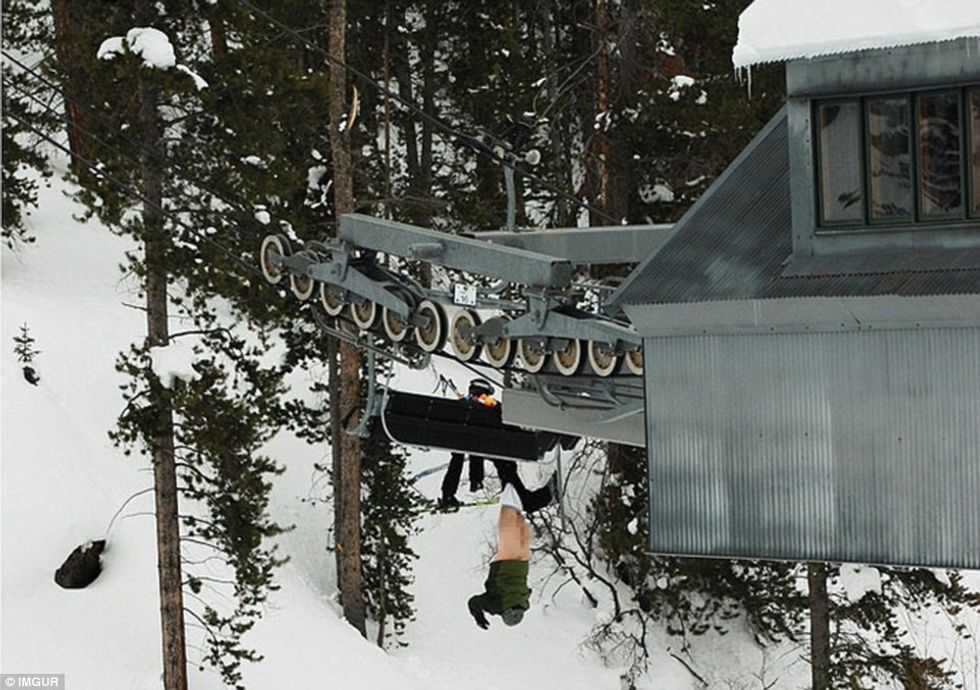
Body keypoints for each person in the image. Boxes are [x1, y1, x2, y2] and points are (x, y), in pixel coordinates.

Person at [467, 465, 558, 629]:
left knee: (516, 507)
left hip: (523, 555)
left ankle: (508, 467)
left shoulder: (523, 601)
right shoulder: (498, 605)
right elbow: (474, 603)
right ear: (505, 613)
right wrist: (479, 616)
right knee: (510, 505)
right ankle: (546, 496)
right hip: (509, 555)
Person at [436, 378, 496, 512]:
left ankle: (449, 494)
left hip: (459, 437)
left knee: (457, 460)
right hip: (472, 438)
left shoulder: (465, 402)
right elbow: (494, 409)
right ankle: (476, 481)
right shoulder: (485, 402)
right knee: (475, 450)